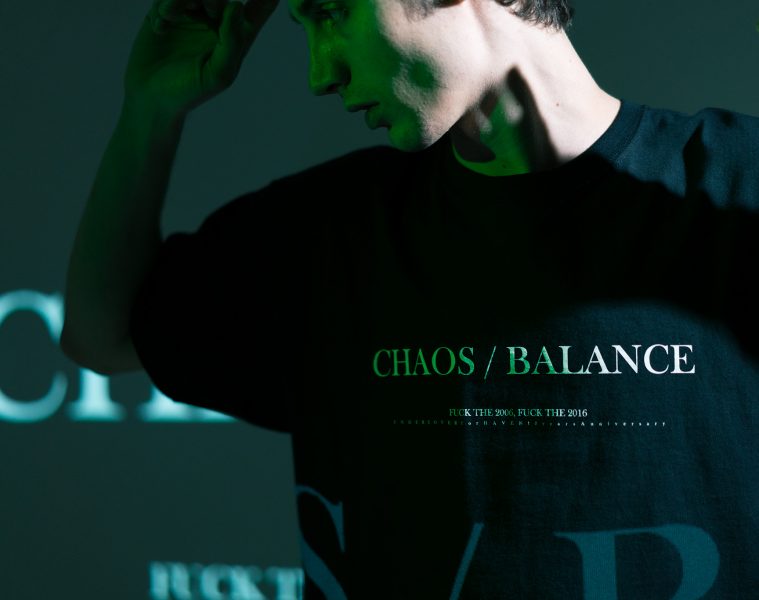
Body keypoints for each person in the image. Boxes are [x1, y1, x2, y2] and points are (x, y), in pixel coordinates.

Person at [62, 0, 758, 597]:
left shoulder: (736, 186)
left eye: (332, 14)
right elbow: (104, 335)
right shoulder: (327, 228)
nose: (320, 74)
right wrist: (150, 107)